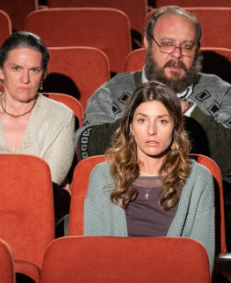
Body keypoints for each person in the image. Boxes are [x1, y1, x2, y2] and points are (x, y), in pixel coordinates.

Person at [76, 5, 231, 185]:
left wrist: (190, 111)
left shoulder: (223, 93)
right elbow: (87, 152)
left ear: (197, 50)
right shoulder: (112, 92)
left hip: (204, 194)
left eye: (187, 46)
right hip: (124, 194)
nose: (177, 54)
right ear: (148, 43)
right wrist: (147, 113)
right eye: (167, 44)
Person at [83, 82, 216, 267]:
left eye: (162, 121)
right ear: (130, 126)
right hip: (114, 280)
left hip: (175, 281)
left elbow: (202, 261)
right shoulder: (103, 175)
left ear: (176, 127)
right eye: (142, 120)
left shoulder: (199, 179)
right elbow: (94, 255)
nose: (151, 131)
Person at [0, 31, 75, 185]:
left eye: (34, 70)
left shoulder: (62, 116)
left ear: (43, 75)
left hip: (37, 201)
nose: (25, 79)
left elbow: (48, 184)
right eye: (16, 68)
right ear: (0, 71)